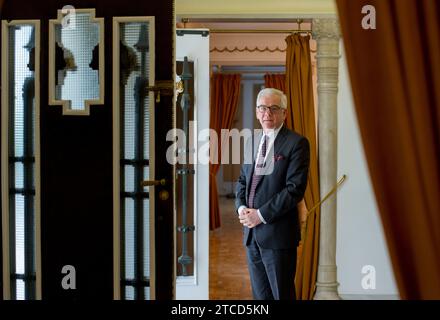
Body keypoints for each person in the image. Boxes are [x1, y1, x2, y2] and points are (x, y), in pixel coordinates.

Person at [235, 88, 310, 300]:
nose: (267, 113)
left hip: (278, 236)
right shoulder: (252, 141)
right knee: (260, 297)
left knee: (282, 295)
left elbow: (294, 189)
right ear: (257, 113)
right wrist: (242, 208)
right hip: (251, 236)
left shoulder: (297, 143)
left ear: (284, 113)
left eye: (273, 108)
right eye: (262, 108)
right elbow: (242, 181)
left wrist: (259, 215)